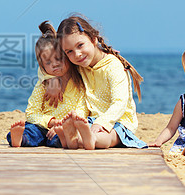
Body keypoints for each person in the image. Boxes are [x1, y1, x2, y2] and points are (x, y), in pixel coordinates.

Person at [55, 14, 146, 150]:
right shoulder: (82, 68)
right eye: (69, 51)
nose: (77, 54)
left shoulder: (113, 66)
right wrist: (78, 119)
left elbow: (120, 102)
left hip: (119, 122)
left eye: (80, 45)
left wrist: (102, 124)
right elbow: (83, 100)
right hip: (93, 121)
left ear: (93, 39)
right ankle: (74, 139)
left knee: (107, 137)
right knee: (74, 133)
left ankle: (89, 139)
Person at [8, 22, 87, 148]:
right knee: (31, 130)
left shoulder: (79, 82)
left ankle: (63, 137)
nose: (55, 64)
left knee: (59, 137)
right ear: (42, 66)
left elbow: (82, 109)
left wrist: (65, 124)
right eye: (48, 62)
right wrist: (51, 122)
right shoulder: (43, 85)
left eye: (59, 59)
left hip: (65, 128)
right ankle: (20, 139)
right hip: (43, 126)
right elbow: (31, 113)